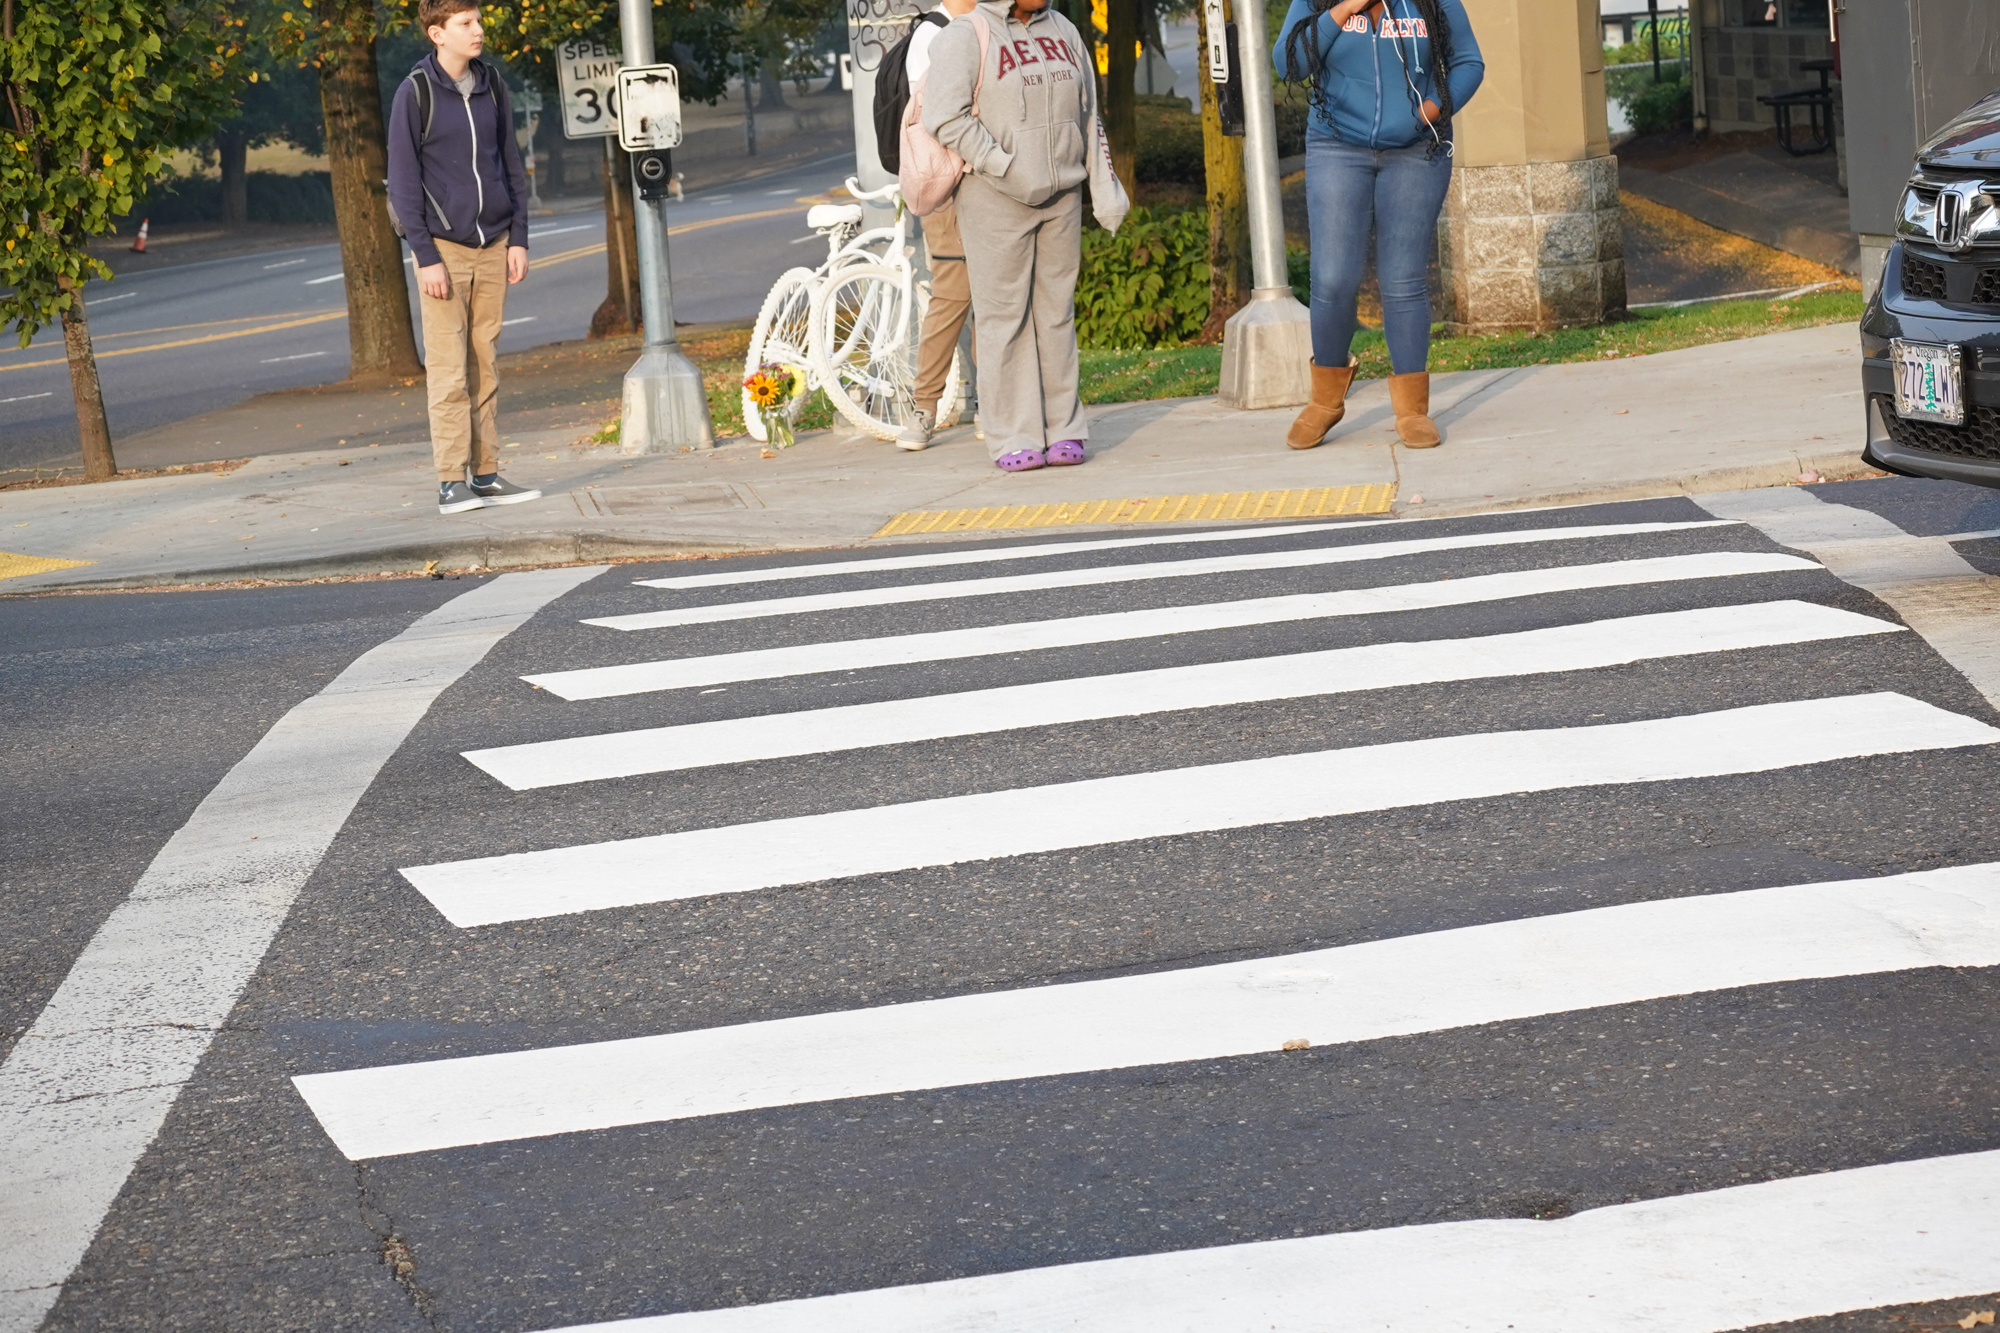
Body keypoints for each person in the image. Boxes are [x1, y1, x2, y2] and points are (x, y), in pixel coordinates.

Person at [921, 0, 1127, 472]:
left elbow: (1089, 112)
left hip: (1062, 196)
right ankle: (1014, 434)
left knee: (1056, 315)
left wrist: (1101, 184)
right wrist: (1003, 166)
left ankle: (1064, 428)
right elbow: (944, 116)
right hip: (993, 198)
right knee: (1004, 319)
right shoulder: (964, 35)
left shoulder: (1065, 30)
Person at [1273, 0, 1482, 451]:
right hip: (1336, 145)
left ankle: (1412, 412)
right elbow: (1289, 64)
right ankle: (1325, 402)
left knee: (1403, 279)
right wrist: (1345, 7)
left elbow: (1468, 62)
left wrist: (1428, 111)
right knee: (1333, 277)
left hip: (1417, 150)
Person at [387, 0, 543, 515]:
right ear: (438, 33)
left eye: (478, 21)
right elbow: (405, 186)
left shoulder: (491, 84)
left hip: (494, 244)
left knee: (486, 366)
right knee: (450, 371)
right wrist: (425, 256)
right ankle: (450, 480)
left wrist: (517, 236)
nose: (478, 31)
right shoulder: (415, 94)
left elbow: (510, 165)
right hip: (445, 251)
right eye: (466, 24)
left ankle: (487, 474)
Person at [898, 0, 981, 452]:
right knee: (952, 295)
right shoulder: (934, 35)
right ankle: (924, 408)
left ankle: (995, 404)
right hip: (949, 186)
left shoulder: (982, 26)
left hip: (987, 182)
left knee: (995, 295)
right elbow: (935, 119)